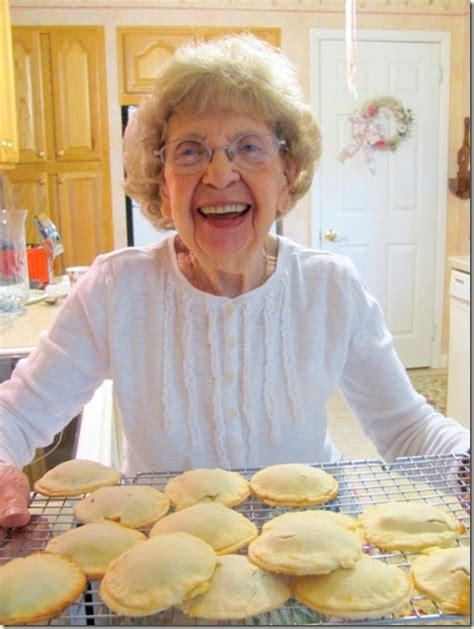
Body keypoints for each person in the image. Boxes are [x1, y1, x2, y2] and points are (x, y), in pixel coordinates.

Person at [0, 34, 469, 529]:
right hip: (165, 568)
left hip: (310, 551)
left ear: (286, 178)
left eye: (249, 147)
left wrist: (466, 466)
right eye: (190, 151)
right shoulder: (117, 290)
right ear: (163, 183)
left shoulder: (330, 289)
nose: (220, 174)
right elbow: (19, 413)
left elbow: (405, 426)